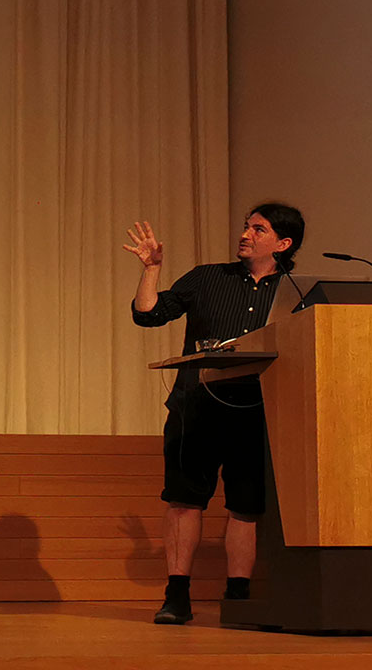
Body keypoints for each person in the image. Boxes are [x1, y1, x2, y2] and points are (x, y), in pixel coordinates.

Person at [124, 202, 306, 625]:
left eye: (257, 229)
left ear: (282, 243)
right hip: (197, 406)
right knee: (185, 501)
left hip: (259, 409)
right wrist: (151, 269)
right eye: (245, 226)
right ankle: (177, 596)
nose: (245, 234)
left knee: (245, 506)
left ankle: (238, 596)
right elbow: (149, 315)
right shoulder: (208, 277)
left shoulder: (298, 294)